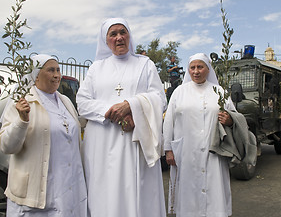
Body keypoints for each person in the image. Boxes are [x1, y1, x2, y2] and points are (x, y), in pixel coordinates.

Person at [76, 18, 167, 217]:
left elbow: (160, 98)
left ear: (129, 35)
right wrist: (113, 112)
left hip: (135, 141)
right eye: (113, 34)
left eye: (122, 32)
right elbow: (82, 102)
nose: (119, 38)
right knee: (104, 192)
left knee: (137, 191)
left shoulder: (145, 64)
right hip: (102, 144)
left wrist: (131, 106)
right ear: (105, 40)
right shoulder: (96, 68)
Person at [163, 53, 256, 217]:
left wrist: (229, 120)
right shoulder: (179, 92)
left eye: (200, 67)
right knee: (188, 189)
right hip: (186, 151)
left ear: (208, 69)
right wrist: (168, 149)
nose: (196, 71)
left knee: (214, 188)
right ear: (188, 70)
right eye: (192, 67)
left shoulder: (219, 92)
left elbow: (234, 117)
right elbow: (168, 121)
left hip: (214, 151)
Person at [0, 54, 87, 216]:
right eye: (51, 70)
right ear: (36, 75)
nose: (57, 75)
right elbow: (7, 145)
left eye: (58, 70)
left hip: (67, 188)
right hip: (38, 191)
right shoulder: (22, 102)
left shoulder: (65, 101)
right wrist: (22, 121)